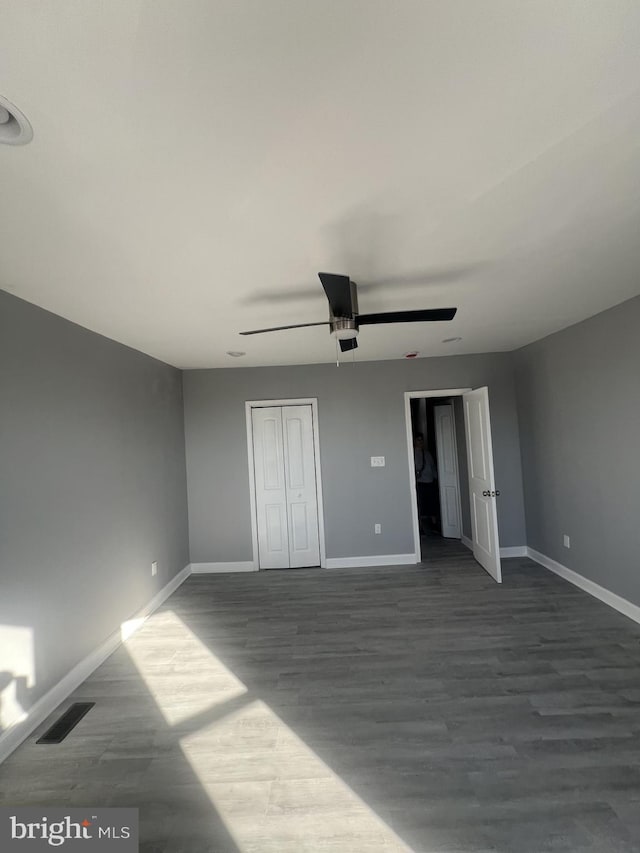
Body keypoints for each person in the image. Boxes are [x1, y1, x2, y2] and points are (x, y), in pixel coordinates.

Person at [413, 432, 439, 533]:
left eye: (421, 440)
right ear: (414, 441)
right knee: (420, 504)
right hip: (420, 482)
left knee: (432, 504)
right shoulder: (412, 453)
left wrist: (436, 478)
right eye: (418, 440)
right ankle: (420, 527)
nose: (420, 442)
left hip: (430, 481)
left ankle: (434, 524)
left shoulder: (427, 453)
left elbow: (432, 467)